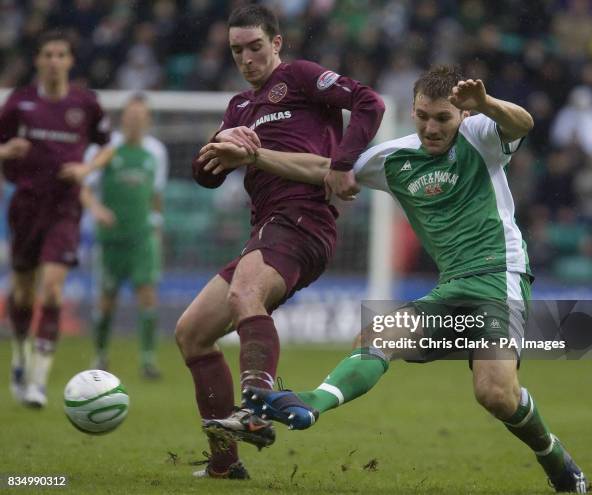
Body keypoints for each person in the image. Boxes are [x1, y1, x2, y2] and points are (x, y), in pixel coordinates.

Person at [203, 65, 588, 493]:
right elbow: (325, 169)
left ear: (460, 115)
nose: (431, 126)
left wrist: (486, 104)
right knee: (378, 334)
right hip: (452, 288)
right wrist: (255, 156)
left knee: (495, 394)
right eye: (423, 115)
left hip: (500, 279)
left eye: (442, 117)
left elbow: (524, 123)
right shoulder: (395, 158)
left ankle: (558, 461)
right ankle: (313, 404)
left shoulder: (480, 134)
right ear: (413, 110)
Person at [176, 4, 385, 479]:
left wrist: (341, 163)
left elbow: (370, 102)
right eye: (237, 51)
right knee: (192, 334)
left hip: (301, 218)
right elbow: (204, 175)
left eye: (255, 47)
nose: (247, 58)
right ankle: (225, 465)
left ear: (276, 44)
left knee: (245, 294)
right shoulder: (239, 108)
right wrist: (220, 145)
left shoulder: (302, 78)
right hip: (267, 228)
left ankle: (254, 405)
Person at [0, 30, 112, 408]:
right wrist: (6, 150)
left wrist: (86, 169)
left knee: (51, 291)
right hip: (26, 205)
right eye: (47, 54)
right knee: (22, 293)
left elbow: (106, 146)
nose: (53, 61)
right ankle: (19, 354)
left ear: (70, 61)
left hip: (65, 207)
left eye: (60, 54)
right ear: (37, 60)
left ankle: (38, 381)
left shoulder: (85, 103)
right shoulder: (19, 102)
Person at [81, 94, 168, 379]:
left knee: (148, 295)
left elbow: (156, 196)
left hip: (142, 238)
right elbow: (84, 187)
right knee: (107, 300)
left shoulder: (156, 152)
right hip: (111, 239)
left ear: (148, 120)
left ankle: (148, 360)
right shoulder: (106, 150)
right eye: (131, 116)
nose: (135, 121)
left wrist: (157, 227)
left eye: (141, 117)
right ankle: (101, 354)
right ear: (122, 119)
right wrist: (96, 209)